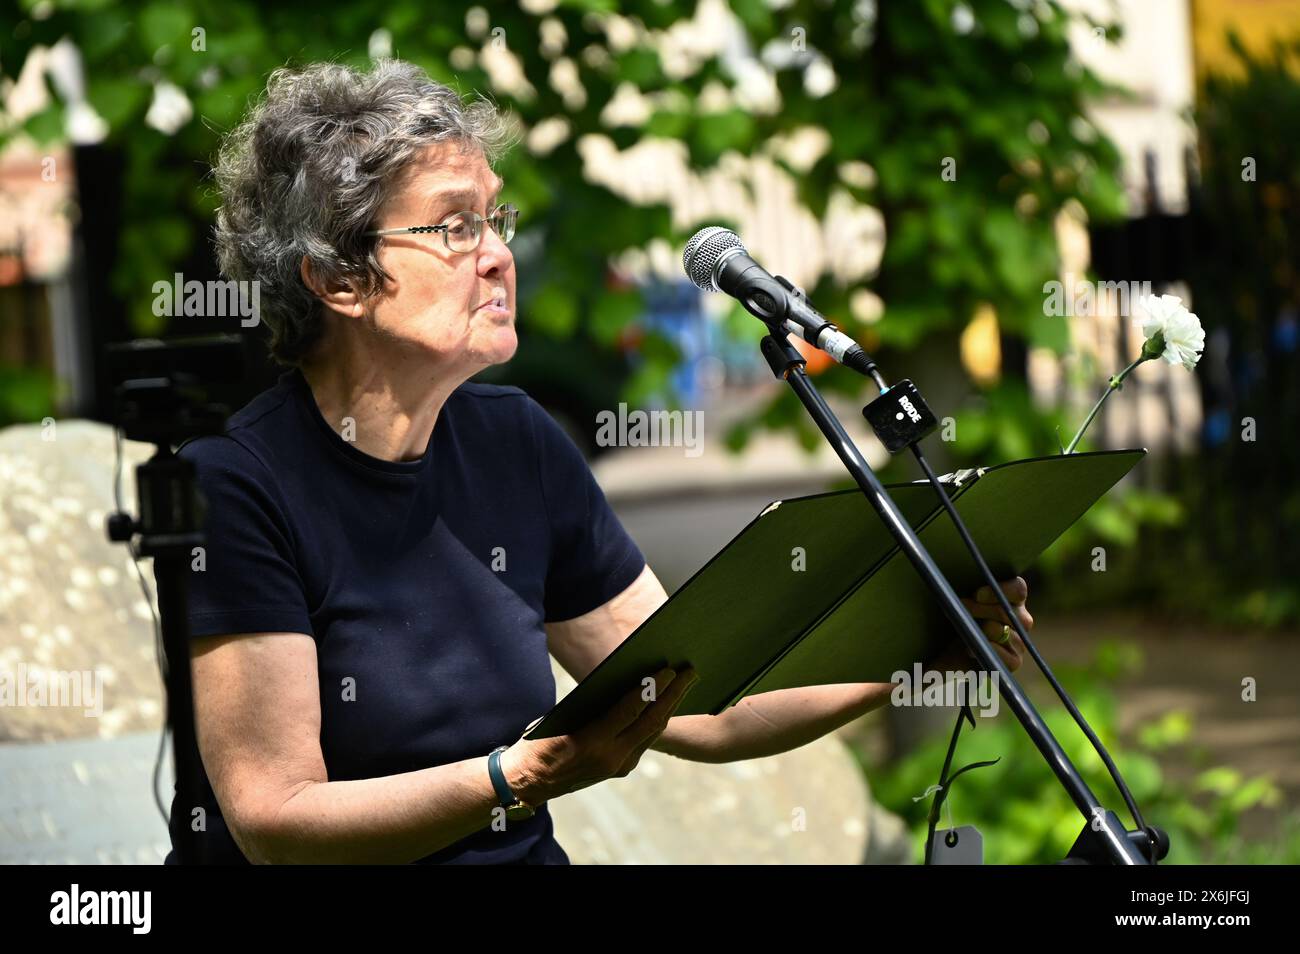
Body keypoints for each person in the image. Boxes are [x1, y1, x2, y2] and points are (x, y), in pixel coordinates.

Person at [165, 60, 1032, 864]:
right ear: (338, 280)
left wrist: (917, 657)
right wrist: (514, 778)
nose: (500, 254)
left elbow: (700, 705)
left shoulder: (517, 443)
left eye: (495, 219)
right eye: (457, 226)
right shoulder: (239, 486)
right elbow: (274, 820)